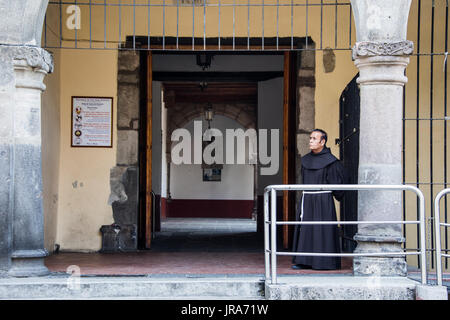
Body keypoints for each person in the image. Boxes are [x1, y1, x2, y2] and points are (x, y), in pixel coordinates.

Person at [291, 128, 345, 270]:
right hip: (308, 198)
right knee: (306, 229)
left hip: (323, 200)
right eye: (310, 138)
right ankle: (304, 260)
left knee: (322, 229)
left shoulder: (331, 162)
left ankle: (325, 262)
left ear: (323, 142)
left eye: (314, 139)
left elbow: (337, 183)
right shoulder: (305, 160)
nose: (311, 141)